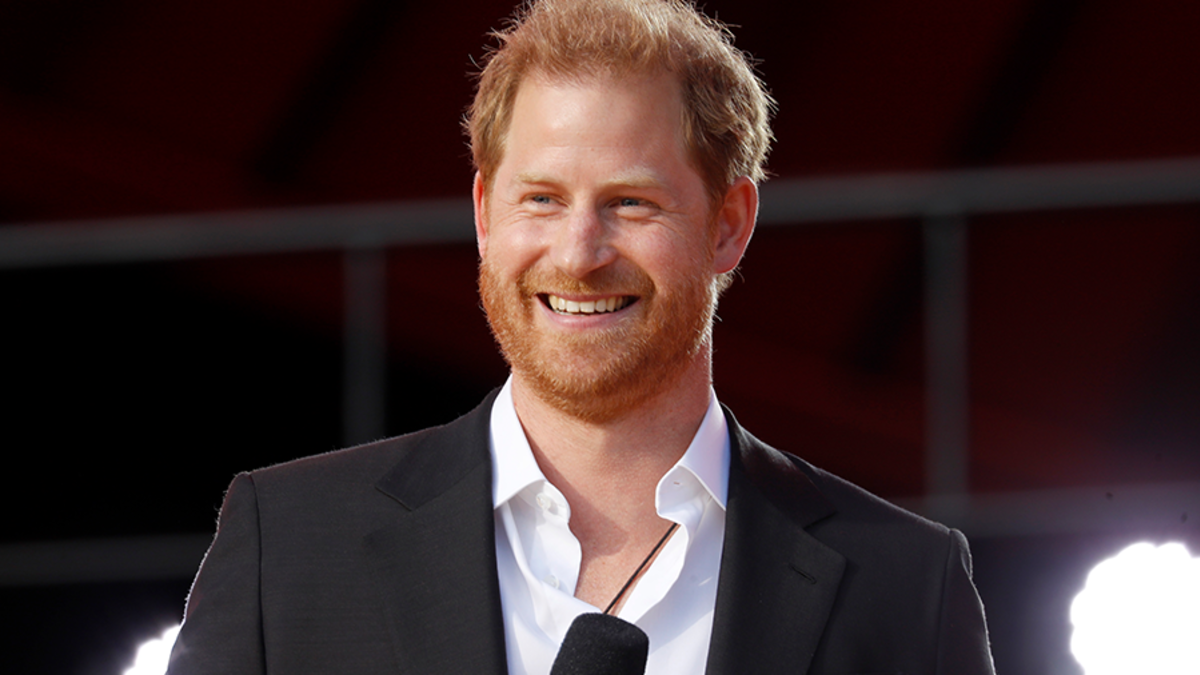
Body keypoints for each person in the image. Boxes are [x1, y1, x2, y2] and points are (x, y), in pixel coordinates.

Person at [167, 0, 995, 673]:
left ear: (729, 225)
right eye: (542, 199)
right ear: (484, 213)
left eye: (631, 203)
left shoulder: (906, 585)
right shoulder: (290, 544)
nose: (578, 253)